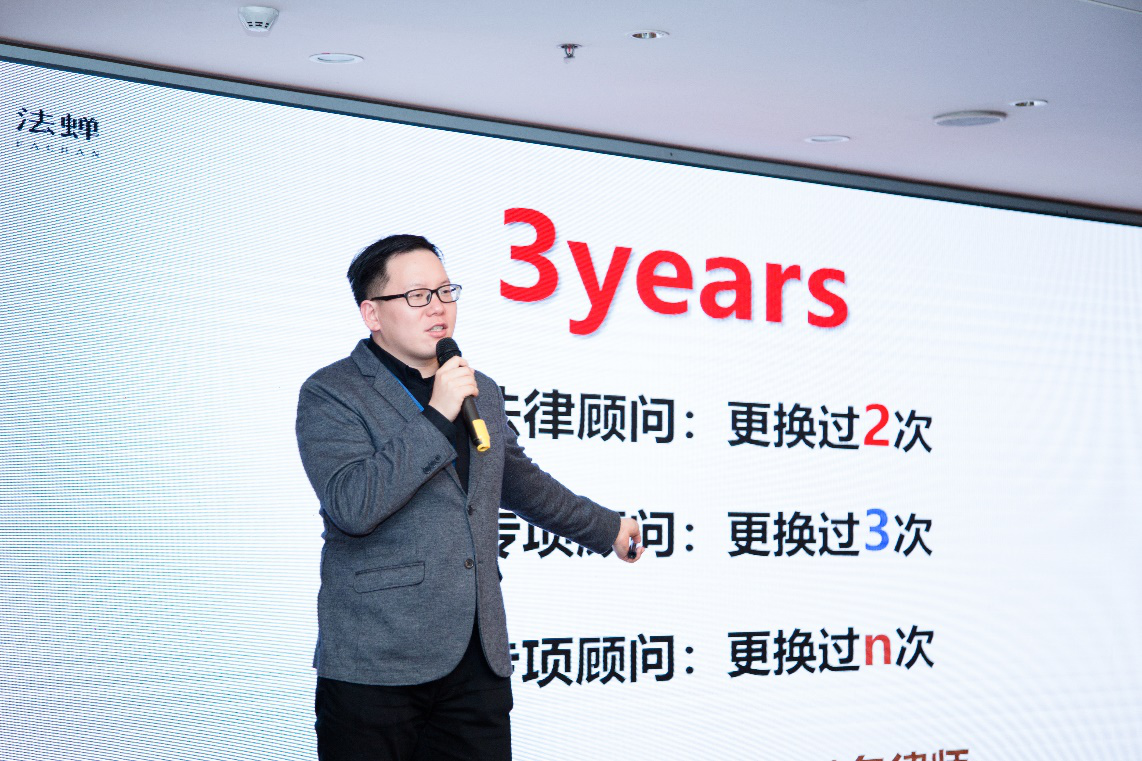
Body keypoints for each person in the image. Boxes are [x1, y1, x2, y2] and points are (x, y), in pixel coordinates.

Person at [295, 234, 645, 760]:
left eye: (445, 291)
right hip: (377, 662)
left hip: (476, 659)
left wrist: (606, 527)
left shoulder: (480, 389)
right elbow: (353, 504)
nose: (437, 307)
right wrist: (437, 415)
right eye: (417, 295)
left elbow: (518, 481)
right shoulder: (333, 392)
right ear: (372, 313)